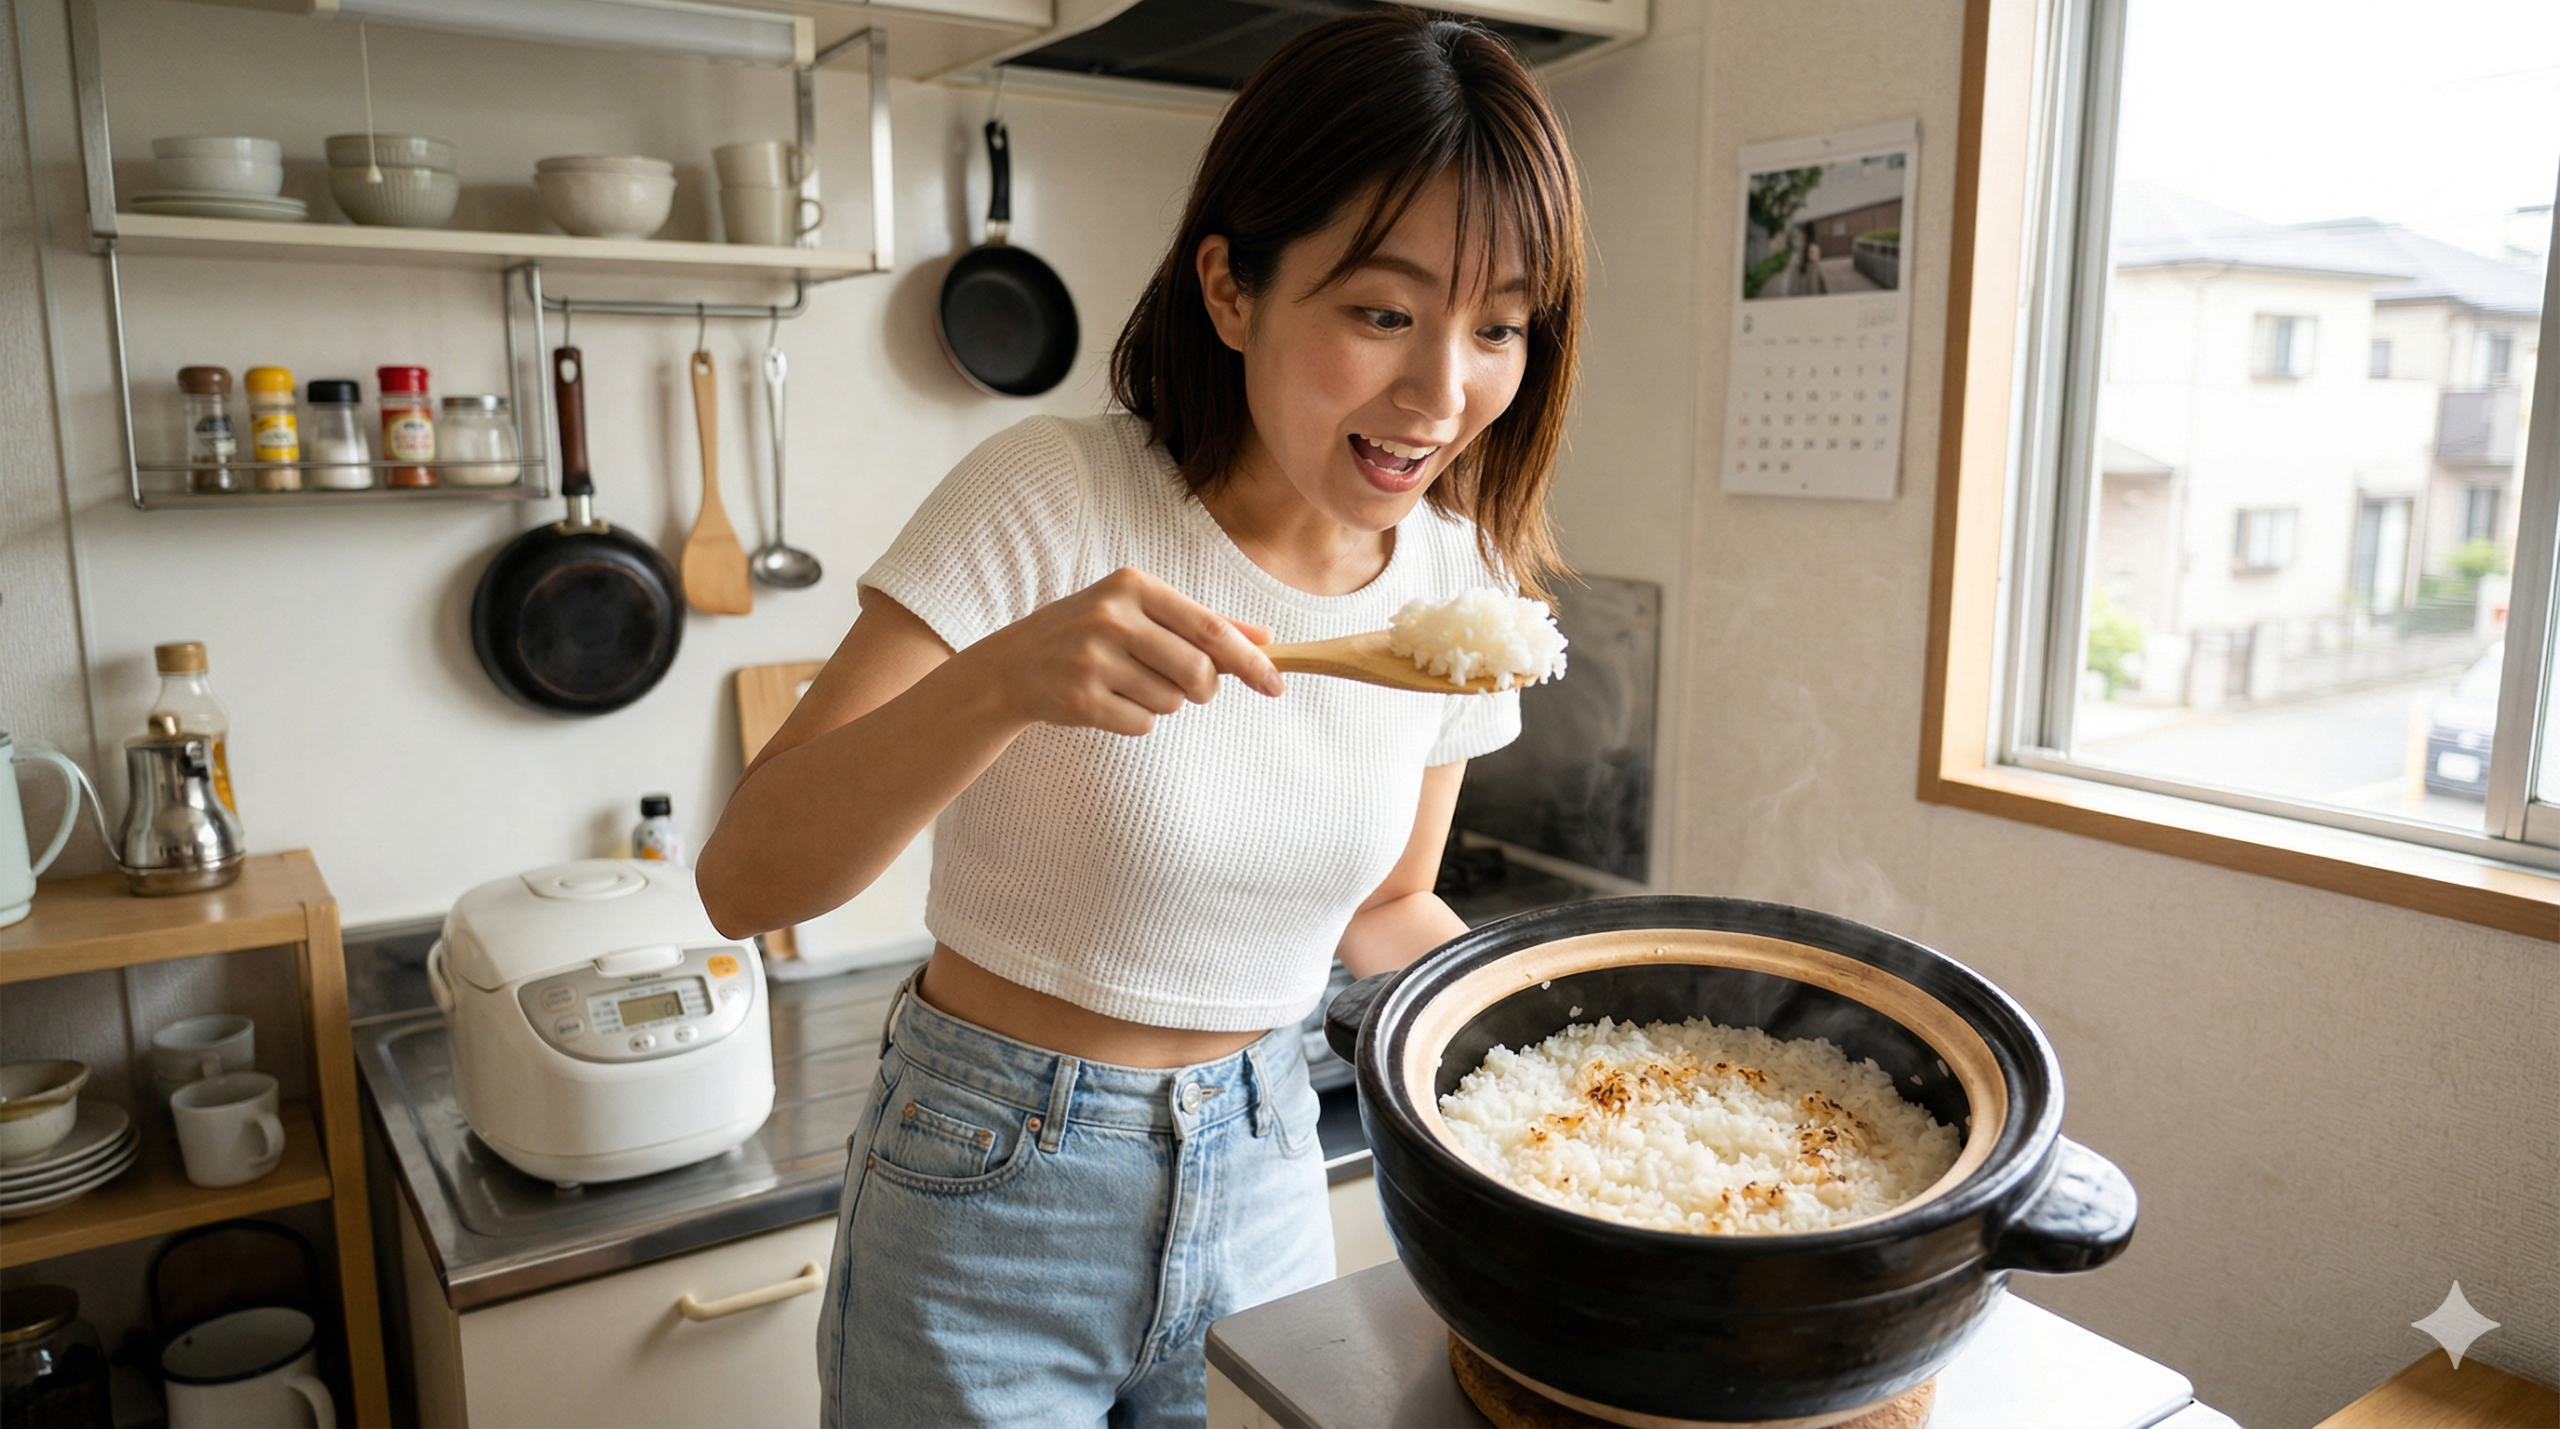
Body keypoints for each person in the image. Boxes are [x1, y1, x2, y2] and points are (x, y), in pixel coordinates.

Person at [696, 11, 1585, 1426]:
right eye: (1382, 312)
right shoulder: (1050, 497)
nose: (1441, 391)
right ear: (1231, 288)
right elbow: (747, 881)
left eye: (1499, 327)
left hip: (1271, 1175)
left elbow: (1392, 904)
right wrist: (1005, 682)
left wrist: (1563, 1056)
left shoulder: (1458, 579)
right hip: (989, 1180)